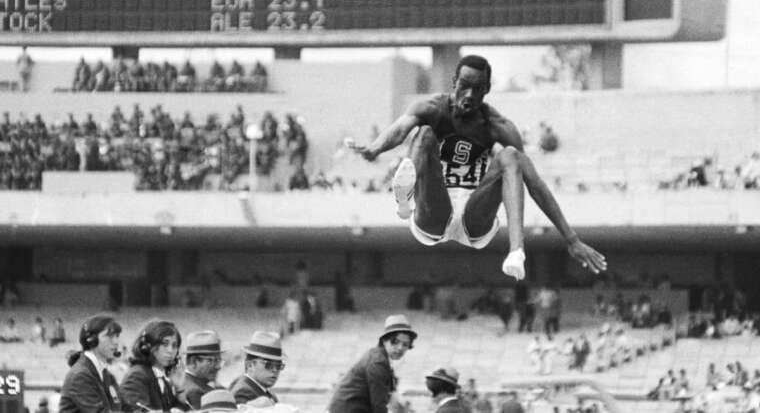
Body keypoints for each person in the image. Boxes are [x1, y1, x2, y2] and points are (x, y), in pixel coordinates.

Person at [348, 55, 606, 280]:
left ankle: (517, 252)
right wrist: (375, 149)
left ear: (487, 90)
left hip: (475, 213)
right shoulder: (432, 108)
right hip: (434, 208)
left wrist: (571, 239)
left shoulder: (498, 126)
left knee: (511, 156)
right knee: (424, 134)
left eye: (477, 89)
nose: (469, 95)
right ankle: (404, 198)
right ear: (454, 82)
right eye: (464, 87)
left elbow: (533, 184)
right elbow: (399, 130)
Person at [328, 314, 417, 413]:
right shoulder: (378, 362)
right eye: (395, 342)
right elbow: (378, 405)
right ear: (384, 341)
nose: (400, 348)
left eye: (405, 344)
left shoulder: (381, 357)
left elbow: (391, 394)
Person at [59, 314, 124, 413]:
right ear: (92, 340)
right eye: (109, 336)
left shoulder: (107, 375)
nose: (116, 341)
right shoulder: (80, 376)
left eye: (117, 336)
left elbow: (124, 407)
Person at [119, 320, 186, 413]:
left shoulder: (162, 379)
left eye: (174, 346)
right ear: (147, 347)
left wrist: (179, 388)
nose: (170, 350)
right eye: (165, 344)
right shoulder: (137, 375)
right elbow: (138, 410)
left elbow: (181, 408)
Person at [229, 331, 284, 405]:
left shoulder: (264, 391)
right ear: (250, 365)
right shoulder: (243, 393)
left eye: (278, 366)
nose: (274, 370)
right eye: (268, 364)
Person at [178, 331, 225, 410]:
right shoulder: (195, 392)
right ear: (193, 362)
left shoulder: (190, 382)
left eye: (218, 361)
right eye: (211, 361)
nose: (218, 367)